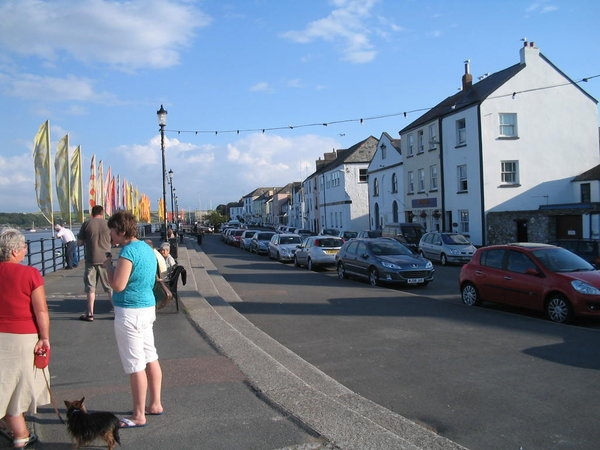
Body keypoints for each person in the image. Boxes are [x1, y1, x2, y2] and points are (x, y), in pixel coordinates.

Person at [104, 211, 163, 427]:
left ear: (120, 230)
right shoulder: (147, 249)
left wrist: (108, 267)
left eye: (112, 231)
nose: (111, 235)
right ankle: (155, 404)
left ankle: (139, 415)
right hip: (147, 308)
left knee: (135, 364)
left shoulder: (128, 252)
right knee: (150, 356)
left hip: (130, 312)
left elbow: (118, 285)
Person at [0, 227, 50, 448]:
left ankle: (15, 429)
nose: (26, 250)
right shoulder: (30, 274)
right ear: (13, 252)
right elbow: (41, 311)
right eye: (23, 247)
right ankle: (21, 434)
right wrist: (44, 337)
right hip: (22, 337)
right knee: (16, 388)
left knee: (3, 385)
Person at [77, 205, 112, 321]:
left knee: (90, 288)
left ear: (92, 213)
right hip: (106, 259)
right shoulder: (108, 224)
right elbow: (115, 240)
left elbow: (79, 242)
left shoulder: (86, 224)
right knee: (109, 287)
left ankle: (90, 314)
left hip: (91, 260)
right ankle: (117, 313)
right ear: (102, 213)